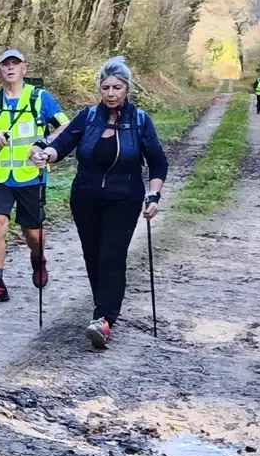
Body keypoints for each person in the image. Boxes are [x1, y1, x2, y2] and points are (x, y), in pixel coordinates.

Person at [32, 57, 167, 351]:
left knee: (111, 257)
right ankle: (102, 309)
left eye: (117, 87)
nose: (110, 93)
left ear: (127, 89)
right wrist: (46, 154)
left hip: (125, 198)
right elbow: (63, 144)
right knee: (93, 257)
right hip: (85, 198)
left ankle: (104, 319)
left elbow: (158, 163)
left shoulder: (140, 121)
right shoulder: (88, 117)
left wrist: (153, 195)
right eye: (105, 88)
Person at [0, 48, 68, 305]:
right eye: (5, 64)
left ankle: (38, 259)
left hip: (31, 175)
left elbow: (66, 127)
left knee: (33, 234)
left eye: (15, 63)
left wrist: (44, 144)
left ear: (24, 69)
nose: (10, 68)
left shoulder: (39, 98)